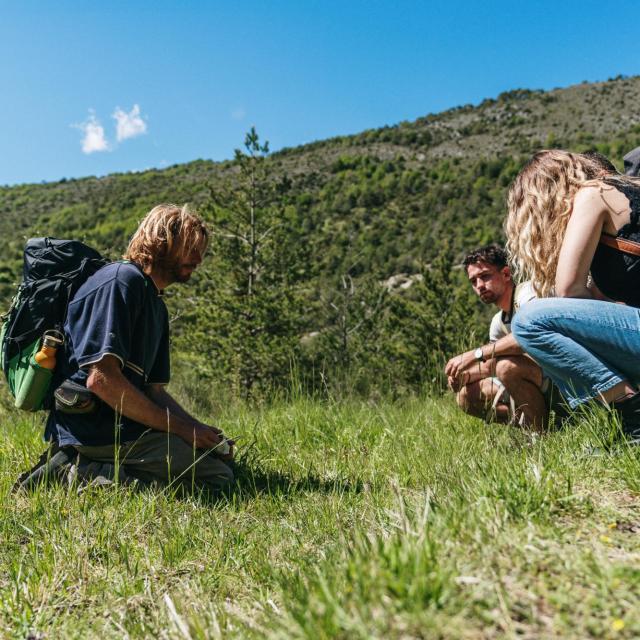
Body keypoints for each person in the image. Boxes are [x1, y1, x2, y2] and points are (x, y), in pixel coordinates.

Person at [18, 204, 235, 492]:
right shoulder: (121, 281)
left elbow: (154, 392)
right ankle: (74, 472)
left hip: (124, 425)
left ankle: (95, 467)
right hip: (96, 428)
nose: (198, 259)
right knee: (216, 478)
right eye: (190, 248)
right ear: (162, 241)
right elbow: (102, 380)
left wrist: (201, 431)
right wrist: (182, 429)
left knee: (218, 461)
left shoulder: (156, 304)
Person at [505, 150, 640, 442]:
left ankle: (632, 413)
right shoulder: (625, 194)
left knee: (530, 321)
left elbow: (568, 291)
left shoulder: (594, 194)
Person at [444, 244, 549, 428]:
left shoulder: (528, 293)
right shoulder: (498, 322)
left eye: (485, 276)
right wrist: (465, 375)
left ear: (506, 274)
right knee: (466, 397)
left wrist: (474, 354)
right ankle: (536, 423)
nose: (479, 286)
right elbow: (496, 361)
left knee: (506, 367)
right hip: (537, 381)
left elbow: (528, 336)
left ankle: (540, 435)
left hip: (562, 380)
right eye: (473, 281)